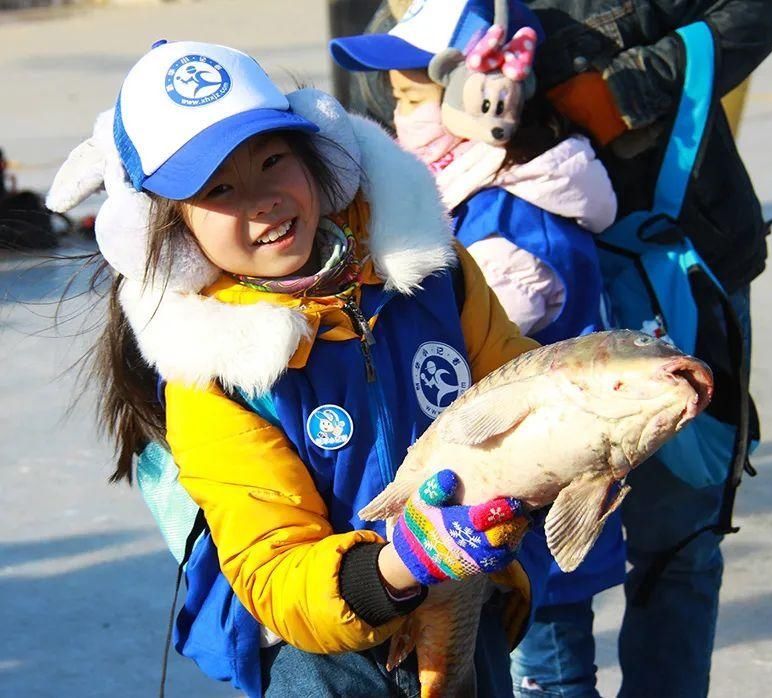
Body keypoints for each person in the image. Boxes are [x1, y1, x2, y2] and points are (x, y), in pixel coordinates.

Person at [45, 39, 555, 697]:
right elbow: (273, 564)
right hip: (324, 661)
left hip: (465, 613)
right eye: (219, 188)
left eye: (273, 159)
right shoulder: (211, 373)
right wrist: (402, 564)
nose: (262, 201)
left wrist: (597, 414)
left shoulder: (432, 274)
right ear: (169, 231)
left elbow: (525, 396)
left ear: (318, 157)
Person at [340, 1, 772, 696]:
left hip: (671, 263)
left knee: (676, 542)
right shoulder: (408, 42)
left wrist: (622, 91)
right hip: (498, 264)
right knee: (540, 583)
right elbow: (391, 110)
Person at [331, 2, 624, 696]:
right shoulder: (475, 196)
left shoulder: (512, 222)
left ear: (478, 93)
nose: (397, 121)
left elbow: (464, 367)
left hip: (532, 521)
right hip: (489, 521)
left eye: (409, 99)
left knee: (550, 676)